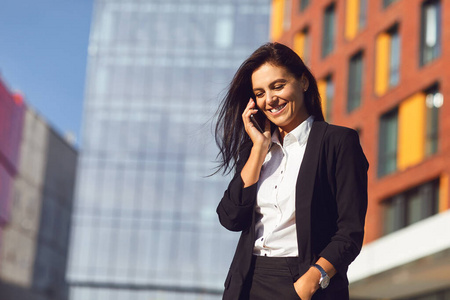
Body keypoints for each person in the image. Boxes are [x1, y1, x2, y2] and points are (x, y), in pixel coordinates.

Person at [214, 42, 368, 300]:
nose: (270, 99)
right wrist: (259, 149)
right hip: (248, 282)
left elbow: (350, 232)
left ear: (303, 82)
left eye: (278, 86)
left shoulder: (338, 142)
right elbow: (231, 218)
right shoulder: (254, 150)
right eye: (260, 93)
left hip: (304, 282)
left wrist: (311, 281)